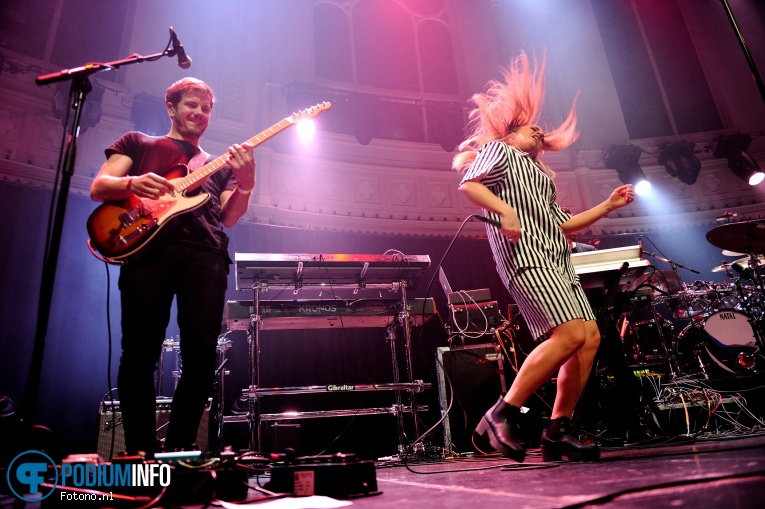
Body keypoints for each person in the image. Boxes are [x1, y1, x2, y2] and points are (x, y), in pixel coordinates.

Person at [453, 52, 634, 462]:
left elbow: (565, 226)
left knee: (588, 338)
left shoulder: (541, 177)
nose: (537, 134)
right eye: (531, 130)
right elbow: (469, 185)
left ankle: (558, 430)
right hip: (527, 258)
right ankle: (502, 412)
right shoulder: (499, 153)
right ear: (509, 134)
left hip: (556, 259)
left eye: (540, 133)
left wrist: (606, 206)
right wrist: (506, 211)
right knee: (569, 334)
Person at [90, 77, 256, 455]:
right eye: (191, 105)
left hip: (207, 254)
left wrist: (246, 184)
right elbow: (100, 186)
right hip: (148, 251)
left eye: (206, 108)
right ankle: (141, 454)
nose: (199, 112)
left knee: (201, 354)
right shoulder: (138, 142)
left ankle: (181, 452)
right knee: (139, 354)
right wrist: (134, 182)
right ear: (172, 107)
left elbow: (230, 217)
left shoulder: (217, 165)